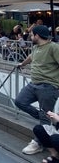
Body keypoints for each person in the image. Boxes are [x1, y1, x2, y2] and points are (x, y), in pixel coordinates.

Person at [15, 25, 59, 155]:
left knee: (45, 118)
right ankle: (42, 116)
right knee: (19, 101)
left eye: (32, 34)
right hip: (33, 84)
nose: (30, 36)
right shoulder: (35, 47)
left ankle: (38, 143)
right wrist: (22, 64)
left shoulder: (53, 47)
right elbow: (30, 57)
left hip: (48, 86)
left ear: (37, 36)